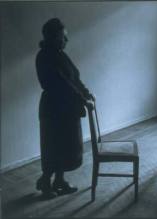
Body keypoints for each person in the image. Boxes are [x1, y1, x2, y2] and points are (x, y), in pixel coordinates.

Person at [35, 18, 94, 199]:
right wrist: (82, 99)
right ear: (53, 37)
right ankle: (46, 183)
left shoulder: (59, 53)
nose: (66, 40)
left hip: (67, 107)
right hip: (54, 109)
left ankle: (59, 181)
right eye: (63, 37)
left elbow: (74, 77)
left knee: (66, 147)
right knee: (53, 147)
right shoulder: (45, 56)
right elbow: (61, 83)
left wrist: (86, 93)